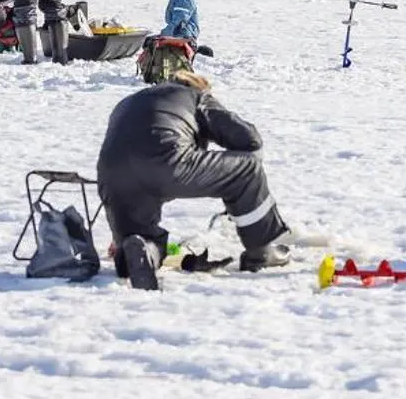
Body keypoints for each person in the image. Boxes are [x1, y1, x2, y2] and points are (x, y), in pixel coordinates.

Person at [96, 71, 292, 289]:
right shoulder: (196, 97)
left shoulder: (130, 101)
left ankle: (145, 252)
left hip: (112, 175)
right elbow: (250, 139)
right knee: (247, 169)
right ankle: (262, 250)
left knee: (139, 236)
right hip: (166, 163)